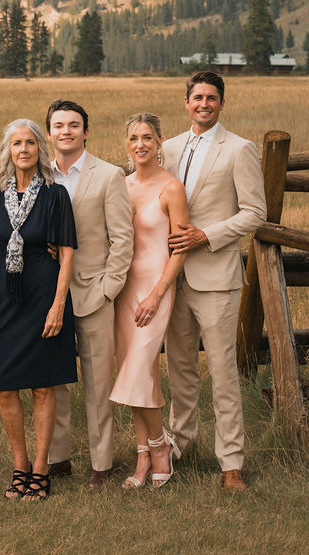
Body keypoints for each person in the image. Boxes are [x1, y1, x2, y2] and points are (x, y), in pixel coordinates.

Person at [162, 71, 265, 491]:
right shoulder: (166, 148)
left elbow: (255, 212)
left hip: (216, 276)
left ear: (222, 103)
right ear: (186, 102)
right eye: (197, 97)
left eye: (211, 98)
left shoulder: (240, 149)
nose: (203, 104)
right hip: (171, 277)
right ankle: (178, 446)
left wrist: (208, 234)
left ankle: (231, 463)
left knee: (223, 372)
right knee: (180, 369)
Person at [45, 99, 134, 491]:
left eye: (74, 125)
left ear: (86, 131)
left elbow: (123, 240)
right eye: (59, 125)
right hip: (47, 296)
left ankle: (102, 463)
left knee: (99, 383)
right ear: (48, 133)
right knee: (54, 378)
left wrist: (107, 289)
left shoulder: (109, 175)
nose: (66, 131)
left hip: (94, 292)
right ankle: (57, 457)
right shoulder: (39, 175)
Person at [0, 119, 77, 501]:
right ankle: (19, 465)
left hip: (45, 294)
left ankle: (41, 469)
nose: (23, 150)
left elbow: (69, 252)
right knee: (6, 386)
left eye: (29, 143)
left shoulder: (56, 195)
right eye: (16, 144)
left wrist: (58, 305)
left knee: (43, 386)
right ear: (8, 150)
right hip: (8, 298)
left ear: (40, 148)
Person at [109, 114, 189, 489]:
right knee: (136, 373)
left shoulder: (172, 188)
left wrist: (157, 293)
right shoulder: (120, 186)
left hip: (156, 288)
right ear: (127, 144)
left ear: (160, 142)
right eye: (134, 138)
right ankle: (144, 456)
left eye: (148, 138)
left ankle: (160, 448)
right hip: (124, 291)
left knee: (140, 369)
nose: (140, 144)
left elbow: (179, 249)